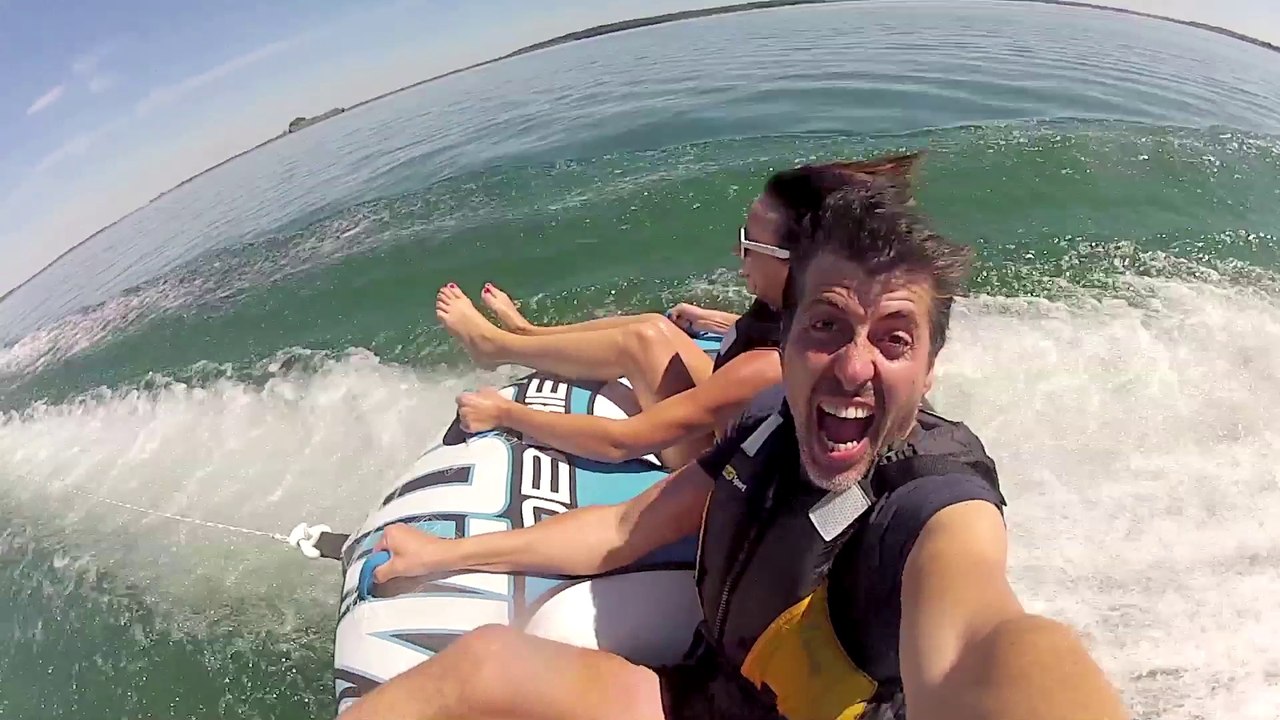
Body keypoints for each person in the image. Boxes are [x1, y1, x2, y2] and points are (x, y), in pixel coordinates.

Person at [339, 180, 1129, 720]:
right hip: (716, 692)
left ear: (928, 370)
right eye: (826, 326)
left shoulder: (933, 507)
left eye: (894, 339)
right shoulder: (769, 423)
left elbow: (981, 647)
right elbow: (622, 531)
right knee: (483, 665)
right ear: (784, 342)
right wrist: (441, 559)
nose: (855, 366)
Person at [435, 152, 922, 469]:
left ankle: (495, 346)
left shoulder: (769, 365)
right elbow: (759, 344)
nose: (738, 253)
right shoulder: (800, 317)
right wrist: (716, 321)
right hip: (735, 411)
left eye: (747, 243)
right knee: (653, 326)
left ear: (795, 263)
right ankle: (526, 334)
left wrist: (506, 413)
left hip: (708, 462)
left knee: (645, 339)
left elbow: (621, 442)